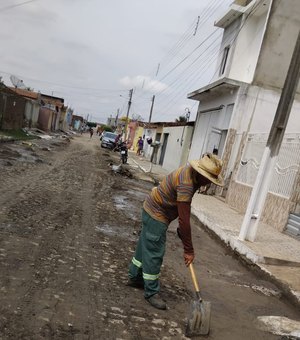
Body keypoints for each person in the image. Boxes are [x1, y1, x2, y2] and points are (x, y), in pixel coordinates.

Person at [127, 153, 224, 310]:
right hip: (157, 214)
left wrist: (182, 231)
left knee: (145, 245)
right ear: (201, 174)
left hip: (150, 208)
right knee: (154, 252)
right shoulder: (187, 183)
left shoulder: (190, 174)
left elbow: (182, 211)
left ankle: (135, 276)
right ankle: (151, 292)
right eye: (209, 179)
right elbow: (184, 219)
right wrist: (188, 250)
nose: (209, 183)